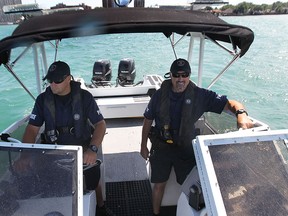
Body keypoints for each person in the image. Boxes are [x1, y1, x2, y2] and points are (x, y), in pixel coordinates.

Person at [140, 58, 254, 216]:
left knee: (189, 186)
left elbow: (229, 103)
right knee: (159, 185)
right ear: (170, 76)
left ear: (189, 75)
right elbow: (147, 120)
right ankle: (155, 214)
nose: (180, 79)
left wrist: (241, 114)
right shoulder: (159, 95)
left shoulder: (200, 95)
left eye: (184, 75)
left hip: (185, 148)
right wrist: (143, 145)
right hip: (161, 147)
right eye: (176, 75)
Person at [15, 61, 113, 216]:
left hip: (82, 149)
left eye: (57, 81)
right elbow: (32, 129)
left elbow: (101, 124)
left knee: (93, 182)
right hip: (53, 152)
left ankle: (101, 206)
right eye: (50, 80)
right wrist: (25, 155)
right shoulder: (42, 100)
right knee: (53, 185)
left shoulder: (85, 97)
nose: (53, 84)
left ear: (68, 79)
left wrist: (92, 149)